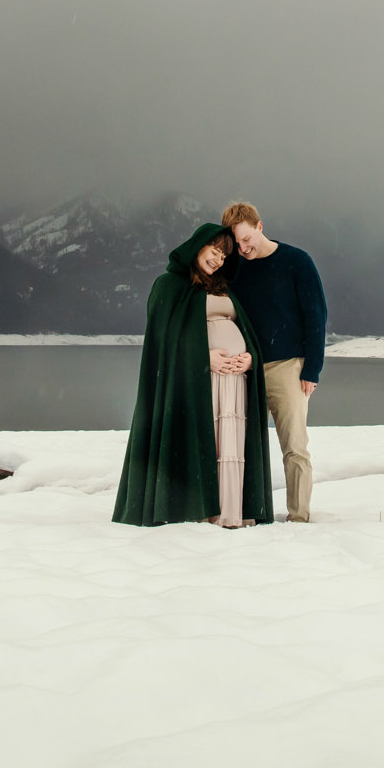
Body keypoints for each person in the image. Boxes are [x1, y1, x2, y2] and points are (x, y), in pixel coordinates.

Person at [112, 222, 275, 528]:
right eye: (215, 251)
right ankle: (200, 510)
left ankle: (230, 512)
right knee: (205, 442)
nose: (219, 260)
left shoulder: (222, 288)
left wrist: (250, 358)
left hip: (235, 380)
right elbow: (164, 340)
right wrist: (202, 358)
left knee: (231, 444)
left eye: (225, 256)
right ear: (198, 246)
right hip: (196, 383)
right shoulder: (169, 285)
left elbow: (246, 331)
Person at [221, 200, 326, 522]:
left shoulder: (296, 261)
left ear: (260, 227)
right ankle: (247, 513)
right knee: (243, 447)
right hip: (246, 369)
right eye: (236, 244)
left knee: (295, 447)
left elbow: (316, 315)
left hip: (288, 367)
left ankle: (299, 517)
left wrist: (312, 369)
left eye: (246, 239)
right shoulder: (236, 269)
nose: (243, 248)